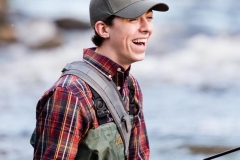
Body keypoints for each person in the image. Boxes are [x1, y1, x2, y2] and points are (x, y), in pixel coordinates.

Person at [32, 0, 169, 159]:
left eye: (150, 18)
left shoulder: (131, 86)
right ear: (103, 29)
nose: (147, 28)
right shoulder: (70, 94)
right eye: (134, 19)